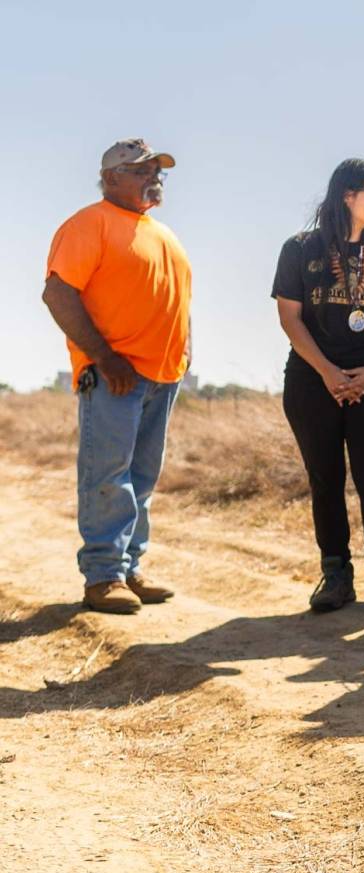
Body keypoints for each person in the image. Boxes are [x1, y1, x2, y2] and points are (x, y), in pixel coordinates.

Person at [42, 138, 192, 614]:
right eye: (142, 171)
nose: (154, 178)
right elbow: (58, 294)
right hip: (115, 375)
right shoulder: (90, 224)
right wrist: (105, 359)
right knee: (109, 474)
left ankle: (128, 567)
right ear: (111, 178)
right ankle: (103, 575)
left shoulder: (162, 233)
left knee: (142, 476)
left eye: (157, 171)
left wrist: (185, 354)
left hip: (161, 376)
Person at [272, 159, 364, 613]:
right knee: (325, 477)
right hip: (313, 381)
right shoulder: (299, 249)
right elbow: (290, 319)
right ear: (347, 195)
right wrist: (328, 371)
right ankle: (335, 575)